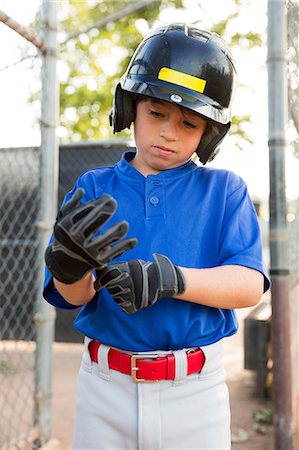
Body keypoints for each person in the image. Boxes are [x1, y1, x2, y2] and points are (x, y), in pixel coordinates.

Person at [43, 23, 270, 450]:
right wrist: (70, 270)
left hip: (195, 391)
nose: (169, 132)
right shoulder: (94, 187)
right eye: (157, 113)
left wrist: (173, 281)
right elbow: (72, 296)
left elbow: (248, 285)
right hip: (104, 386)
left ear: (209, 133)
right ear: (130, 108)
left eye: (189, 123)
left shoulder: (224, 190)